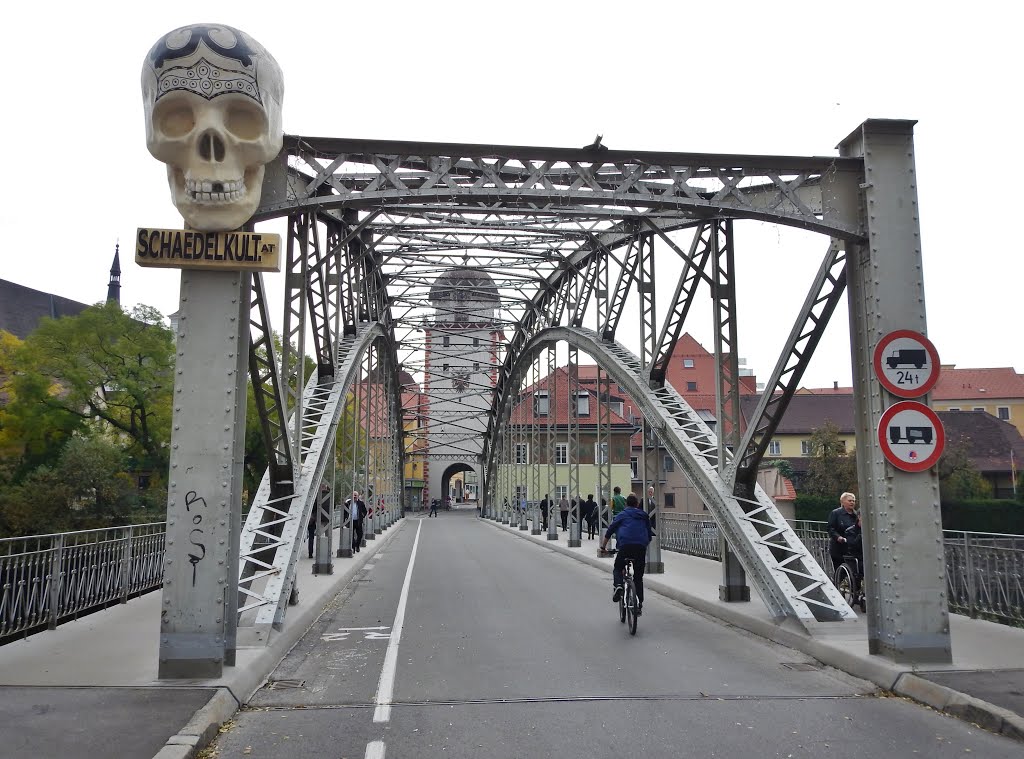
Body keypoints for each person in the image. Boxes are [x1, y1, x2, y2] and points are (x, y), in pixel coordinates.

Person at [600, 494, 655, 615]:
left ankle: (619, 586)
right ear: (636, 504)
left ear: (626, 505)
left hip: (624, 546)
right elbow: (649, 536)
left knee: (618, 568)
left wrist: (603, 547)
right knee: (638, 578)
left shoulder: (621, 515)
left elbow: (610, 531)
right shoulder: (644, 515)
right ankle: (639, 605)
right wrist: (642, 546)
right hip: (640, 547)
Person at [827, 492, 859, 574]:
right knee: (840, 571)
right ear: (843, 502)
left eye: (853, 501)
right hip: (838, 548)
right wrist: (838, 537)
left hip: (852, 548)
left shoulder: (856, 515)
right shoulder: (836, 513)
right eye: (850, 501)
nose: (852, 502)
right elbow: (830, 528)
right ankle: (838, 585)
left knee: (853, 572)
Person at [307, 482, 331, 558]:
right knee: (328, 536)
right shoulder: (330, 496)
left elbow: (314, 507)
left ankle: (319, 551)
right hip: (328, 518)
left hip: (319, 518)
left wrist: (313, 516)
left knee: (319, 536)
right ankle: (328, 551)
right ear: (326, 488)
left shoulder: (317, 496)